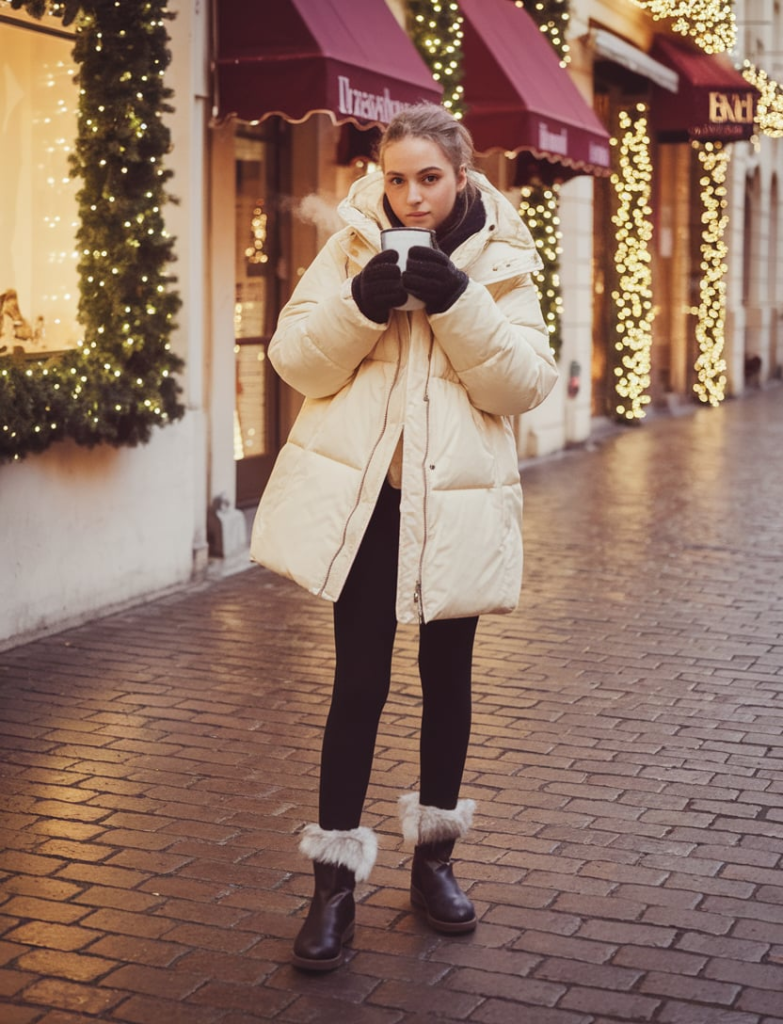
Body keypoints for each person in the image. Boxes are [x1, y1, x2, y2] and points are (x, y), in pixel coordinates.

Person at [250, 102, 558, 971]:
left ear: (460, 177)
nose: (411, 197)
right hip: (370, 508)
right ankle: (333, 886)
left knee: (446, 680)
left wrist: (457, 303)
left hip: (453, 505)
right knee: (358, 683)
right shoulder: (349, 244)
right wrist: (358, 305)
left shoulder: (502, 256)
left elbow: (523, 384)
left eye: (429, 178)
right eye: (396, 178)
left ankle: (434, 865)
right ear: (378, 177)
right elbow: (295, 361)